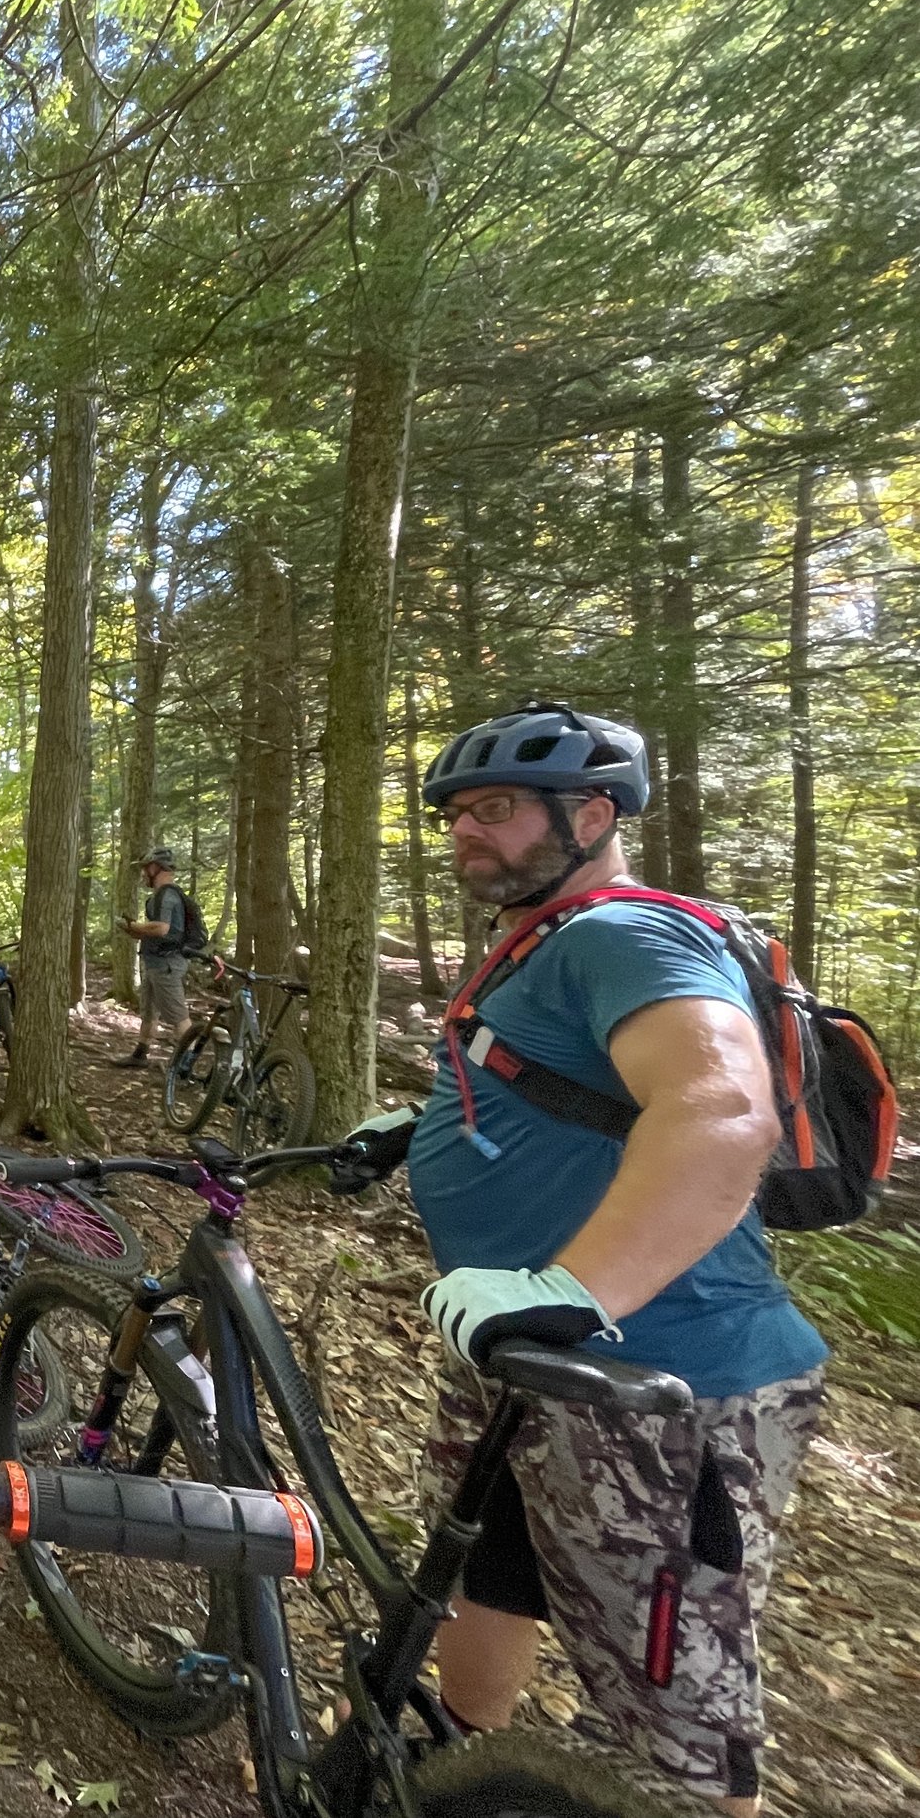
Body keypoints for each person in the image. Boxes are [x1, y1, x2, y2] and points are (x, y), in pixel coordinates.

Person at [410, 701, 825, 1815]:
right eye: (455, 815)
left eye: (494, 810)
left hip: (658, 1378)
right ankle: (453, 1757)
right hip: (527, 1355)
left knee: (674, 1719)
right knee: (492, 1567)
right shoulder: (543, 941)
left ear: (591, 813)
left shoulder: (621, 933)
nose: (465, 835)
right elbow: (552, 1096)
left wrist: (569, 1293)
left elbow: (721, 1106)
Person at [110, 846, 196, 1067]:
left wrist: (135, 925)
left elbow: (162, 929)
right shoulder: (161, 896)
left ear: (156, 868)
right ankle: (140, 1053)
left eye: (145, 868)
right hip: (155, 963)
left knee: (179, 1017)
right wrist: (132, 929)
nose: (143, 873)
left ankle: (187, 1064)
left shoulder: (167, 896)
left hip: (166, 965)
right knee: (149, 1011)